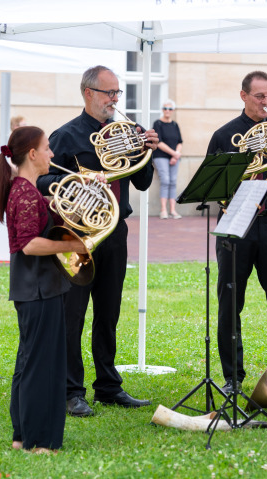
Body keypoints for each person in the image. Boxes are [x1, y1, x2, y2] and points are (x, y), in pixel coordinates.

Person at [36, 65, 158, 417]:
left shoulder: (127, 133)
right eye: (109, 93)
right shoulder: (66, 136)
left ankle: (107, 385)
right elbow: (43, 182)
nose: (115, 100)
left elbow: (144, 182)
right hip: (77, 236)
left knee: (109, 311)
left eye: (118, 93)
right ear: (88, 93)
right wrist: (83, 180)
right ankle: (71, 390)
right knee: (73, 313)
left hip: (114, 233)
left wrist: (147, 149)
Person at [0, 126, 88, 454]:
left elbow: (40, 214)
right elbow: (30, 245)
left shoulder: (23, 189)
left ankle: (22, 437)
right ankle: (38, 442)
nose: (51, 154)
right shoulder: (25, 192)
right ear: (32, 154)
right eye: (47, 149)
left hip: (34, 288)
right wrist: (76, 244)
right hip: (40, 288)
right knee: (42, 367)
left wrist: (84, 187)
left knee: (29, 363)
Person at [206, 70, 267, 393]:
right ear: (243, 96)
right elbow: (212, 185)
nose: (266, 102)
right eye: (260, 96)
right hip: (236, 224)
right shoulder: (224, 135)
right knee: (230, 301)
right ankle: (233, 378)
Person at [153, 99, 183, 219]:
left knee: (173, 182)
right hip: (161, 156)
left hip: (174, 157)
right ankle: (163, 210)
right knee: (165, 180)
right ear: (162, 110)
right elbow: (159, 142)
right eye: (165, 108)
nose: (167, 111)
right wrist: (174, 154)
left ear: (173, 111)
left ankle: (173, 210)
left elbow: (180, 142)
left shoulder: (175, 125)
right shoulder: (158, 123)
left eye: (170, 109)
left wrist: (176, 154)